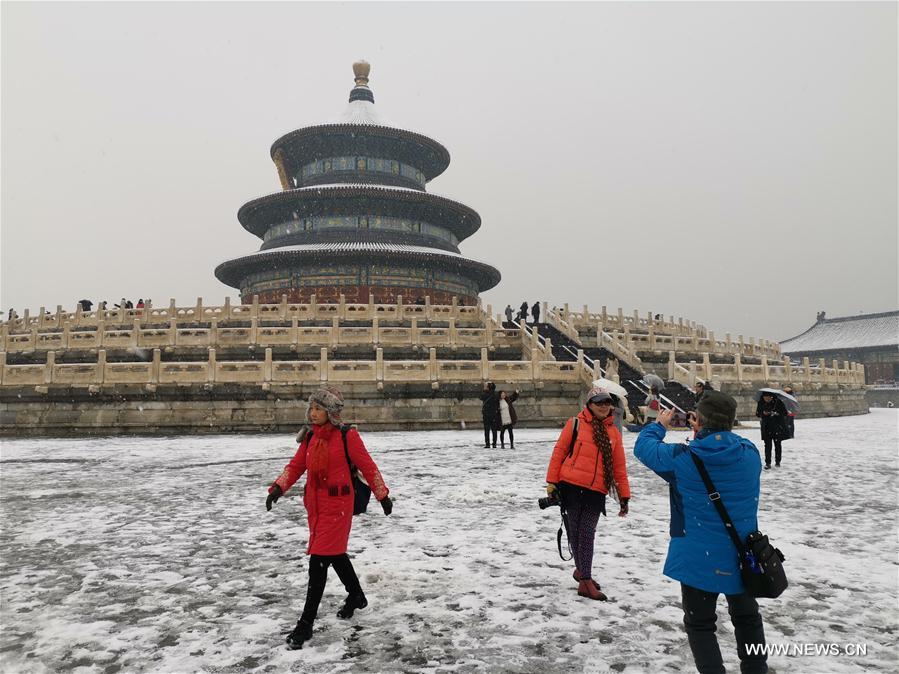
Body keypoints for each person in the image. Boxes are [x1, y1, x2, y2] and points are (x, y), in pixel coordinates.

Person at [634, 393, 768, 674]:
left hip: (697, 555)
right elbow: (722, 450)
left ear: (698, 420)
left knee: (700, 624)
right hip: (742, 555)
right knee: (747, 618)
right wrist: (705, 431)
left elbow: (644, 447)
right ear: (731, 421)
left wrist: (659, 425)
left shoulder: (683, 458)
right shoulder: (749, 453)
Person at [265, 386, 393, 650]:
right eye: (311, 408)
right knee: (334, 555)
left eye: (318, 409)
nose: (312, 414)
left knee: (319, 561)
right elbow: (296, 465)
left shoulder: (348, 436)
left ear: (331, 412)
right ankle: (356, 596)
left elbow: (368, 466)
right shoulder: (311, 438)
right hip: (316, 507)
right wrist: (278, 488)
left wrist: (382, 495)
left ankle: (305, 625)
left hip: (338, 506)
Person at [545, 387, 631, 601]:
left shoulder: (613, 433)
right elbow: (559, 452)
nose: (604, 406)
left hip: (596, 490)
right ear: (589, 404)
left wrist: (624, 495)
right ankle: (584, 575)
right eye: (599, 402)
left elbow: (619, 467)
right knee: (575, 532)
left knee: (586, 533)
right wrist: (551, 483)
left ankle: (583, 576)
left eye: (607, 403)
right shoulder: (575, 424)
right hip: (571, 486)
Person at [756, 392, 787, 469]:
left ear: (771, 397)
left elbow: (784, 413)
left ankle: (778, 461)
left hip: (776, 426)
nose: (766, 399)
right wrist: (763, 413)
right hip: (766, 427)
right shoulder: (761, 403)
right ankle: (768, 462)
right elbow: (758, 413)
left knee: (777, 445)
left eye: (767, 397)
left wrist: (776, 413)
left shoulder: (778, 402)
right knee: (767, 446)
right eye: (764, 397)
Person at [480, 382, 500, 448]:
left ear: (488, 388)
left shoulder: (485, 394)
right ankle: (494, 443)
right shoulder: (496, 394)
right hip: (494, 414)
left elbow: (481, 397)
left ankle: (487, 444)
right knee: (494, 430)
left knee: (487, 430)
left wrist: (484, 389)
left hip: (486, 415)